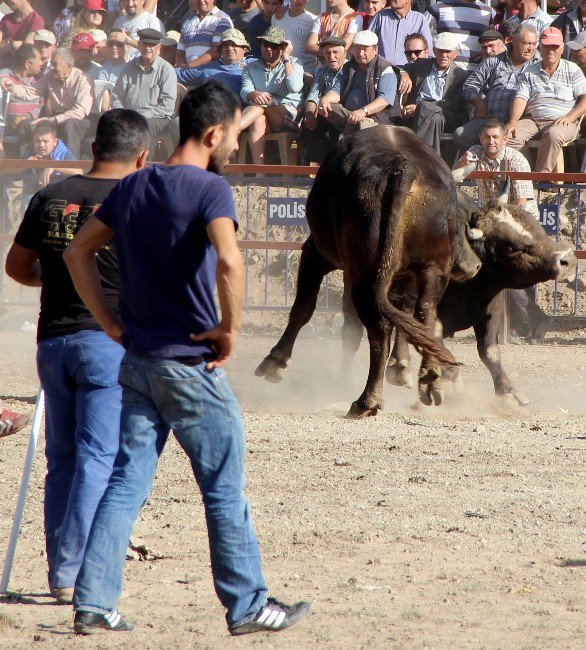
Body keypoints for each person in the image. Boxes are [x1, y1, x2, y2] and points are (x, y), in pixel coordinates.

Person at [63, 79, 310, 636]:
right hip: (190, 363)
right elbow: (229, 262)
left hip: (140, 361)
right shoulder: (209, 190)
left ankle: (94, 602)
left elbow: (78, 251)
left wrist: (110, 323)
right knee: (223, 486)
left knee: (126, 482)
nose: (233, 149)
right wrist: (231, 330)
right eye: (233, 138)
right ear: (215, 132)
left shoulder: (131, 186)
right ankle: (248, 605)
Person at [5, 108, 150, 605]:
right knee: (97, 456)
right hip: (106, 342)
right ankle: (76, 567)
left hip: (53, 340)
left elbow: (17, 267)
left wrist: (61, 280)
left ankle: (59, 568)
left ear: (92, 149)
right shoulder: (137, 197)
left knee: (61, 459)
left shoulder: (51, 194)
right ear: (142, 155)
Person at [454, 118, 550, 343]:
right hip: (493, 227)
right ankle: (519, 324)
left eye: (496, 137)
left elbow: (521, 204)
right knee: (498, 276)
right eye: (487, 137)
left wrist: (499, 228)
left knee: (511, 276)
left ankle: (533, 321)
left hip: (521, 228)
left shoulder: (516, 160)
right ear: (480, 138)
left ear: (505, 138)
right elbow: (453, 181)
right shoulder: (474, 153)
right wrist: (460, 165)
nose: (491, 141)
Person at [507, 26, 586, 173]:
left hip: (563, 120)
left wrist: (570, 117)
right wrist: (512, 122)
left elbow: (585, 99)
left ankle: (541, 178)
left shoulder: (573, 69)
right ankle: (528, 171)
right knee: (508, 137)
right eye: (547, 46)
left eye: (555, 47)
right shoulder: (529, 71)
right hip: (533, 119)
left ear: (562, 49)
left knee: (554, 134)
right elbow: (521, 98)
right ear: (540, 48)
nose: (551, 50)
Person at [454, 24, 539, 152]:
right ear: (513, 41)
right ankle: (480, 166)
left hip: (521, 121)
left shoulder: (538, 63)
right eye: (526, 43)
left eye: (533, 44)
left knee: (510, 140)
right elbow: (469, 85)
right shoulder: (493, 61)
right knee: (461, 134)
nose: (530, 48)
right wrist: (480, 104)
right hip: (490, 119)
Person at [0, 47, 93, 158]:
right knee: (26, 124)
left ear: (68, 66)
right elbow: (30, 92)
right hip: (54, 118)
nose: (51, 67)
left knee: (71, 124)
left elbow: (80, 111)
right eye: (51, 64)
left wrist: (54, 120)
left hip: (80, 120)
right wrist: (12, 87)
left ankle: (70, 167)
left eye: (55, 64)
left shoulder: (83, 80)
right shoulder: (49, 76)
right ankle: (26, 166)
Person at [239, 26, 304, 164]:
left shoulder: (295, 64)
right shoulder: (250, 67)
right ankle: (260, 172)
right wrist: (254, 93)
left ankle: (235, 128)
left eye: (274, 45)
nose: (268, 48)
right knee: (258, 119)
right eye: (265, 44)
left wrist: (286, 58)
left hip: (291, 115)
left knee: (260, 106)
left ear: (282, 47)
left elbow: (294, 87)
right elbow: (245, 92)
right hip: (263, 113)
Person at [317, 29, 399, 134]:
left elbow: (384, 100)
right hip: (350, 115)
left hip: (377, 117)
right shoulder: (348, 67)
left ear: (375, 49)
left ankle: (360, 122)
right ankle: (360, 122)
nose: (360, 53)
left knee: (360, 123)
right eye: (357, 49)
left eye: (365, 49)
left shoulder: (385, 69)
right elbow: (337, 90)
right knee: (327, 106)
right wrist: (325, 99)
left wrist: (363, 111)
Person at [112, 28, 177, 154]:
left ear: (159, 47)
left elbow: (167, 106)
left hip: (157, 118)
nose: (148, 48)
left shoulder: (166, 70)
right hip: (129, 116)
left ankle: (144, 168)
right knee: (108, 123)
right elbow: (116, 96)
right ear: (139, 45)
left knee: (146, 125)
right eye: (145, 44)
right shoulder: (128, 67)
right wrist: (124, 115)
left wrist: (140, 117)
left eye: (152, 45)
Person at [403, 31, 470, 152]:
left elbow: (455, 105)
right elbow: (397, 67)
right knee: (434, 119)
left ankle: (417, 153)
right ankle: (430, 159)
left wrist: (420, 107)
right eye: (440, 51)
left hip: (448, 115)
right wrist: (404, 74)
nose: (443, 55)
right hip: (424, 116)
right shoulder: (421, 64)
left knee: (425, 107)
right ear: (434, 50)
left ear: (456, 53)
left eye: (448, 51)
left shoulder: (461, 75)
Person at [302, 35, 346, 162]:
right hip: (326, 112)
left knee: (328, 124)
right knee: (310, 124)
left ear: (344, 53)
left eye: (335, 52)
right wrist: (310, 115)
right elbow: (313, 95)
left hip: (344, 112)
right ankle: (315, 168)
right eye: (327, 53)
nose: (331, 57)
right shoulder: (321, 70)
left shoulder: (349, 68)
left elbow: (339, 94)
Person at [176, 27, 249, 97]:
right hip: (212, 106)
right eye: (225, 45)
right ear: (220, 50)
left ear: (245, 48)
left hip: (244, 107)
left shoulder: (254, 64)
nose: (229, 48)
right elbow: (176, 73)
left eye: (234, 45)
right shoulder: (208, 68)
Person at [425, 0, 496, 69]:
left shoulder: (488, 11)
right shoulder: (440, 6)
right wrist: (432, 53)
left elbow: (501, 38)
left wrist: (487, 50)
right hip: (447, 73)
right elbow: (420, 29)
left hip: (475, 72)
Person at [0, 43, 43, 156]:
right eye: (39, 59)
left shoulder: (41, 80)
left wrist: (26, 116)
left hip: (32, 125)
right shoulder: (3, 76)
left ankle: (25, 164)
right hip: (7, 124)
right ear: (28, 64)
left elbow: (42, 104)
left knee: (26, 124)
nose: (41, 63)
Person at [369, 0, 433, 66]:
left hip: (410, 72)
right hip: (382, 71)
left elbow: (429, 50)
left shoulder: (419, 19)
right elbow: (368, 43)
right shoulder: (381, 16)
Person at [176, 0, 233, 69]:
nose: (201, 1)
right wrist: (182, 68)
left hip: (211, 73)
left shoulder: (222, 19)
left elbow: (217, 50)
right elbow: (180, 52)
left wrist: (190, 66)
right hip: (189, 73)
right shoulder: (188, 22)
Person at [272, 0, 317, 73]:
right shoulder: (277, 18)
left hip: (305, 71)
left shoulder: (313, 21)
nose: (299, 1)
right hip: (280, 72)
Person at [0, 0, 45, 67]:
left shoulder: (36, 20)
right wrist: (12, 45)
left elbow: (26, 51)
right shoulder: (6, 19)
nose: (6, 2)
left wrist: (5, 44)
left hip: (17, 71)